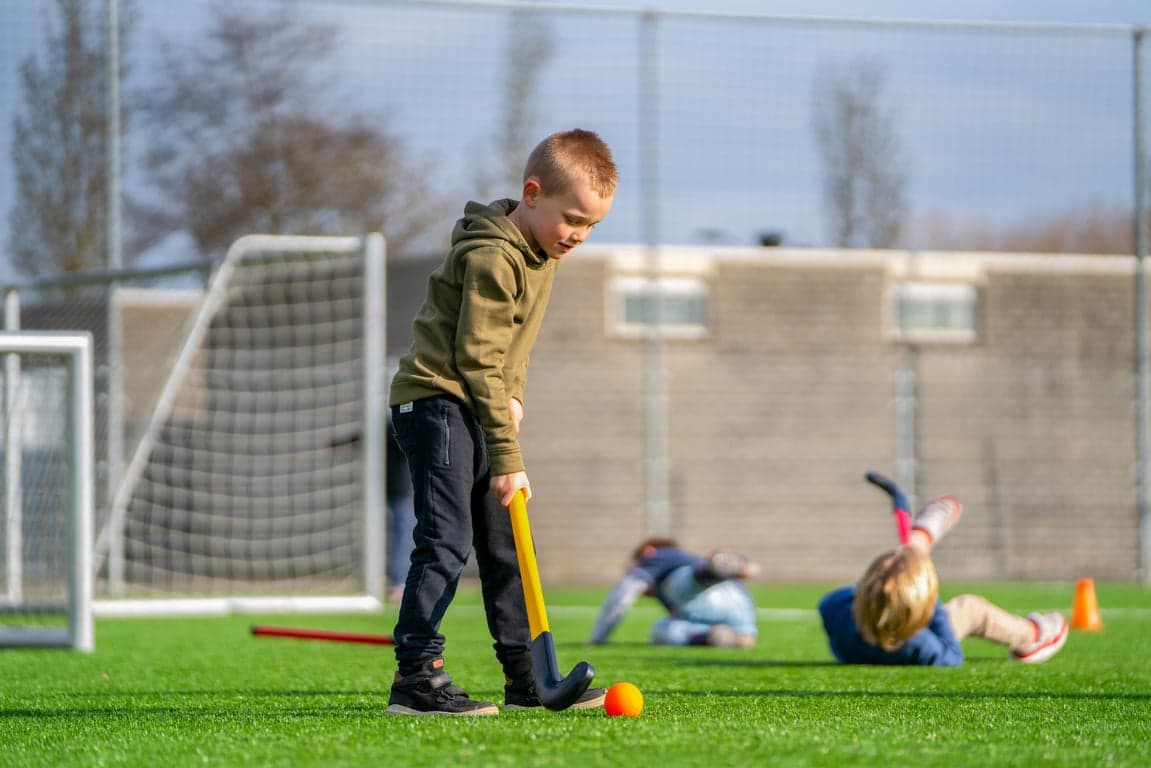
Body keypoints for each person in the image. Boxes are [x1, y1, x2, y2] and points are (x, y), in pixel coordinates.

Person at [386, 129, 618, 716]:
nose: (580, 237)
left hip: (476, 399)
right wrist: (509, 457)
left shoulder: (541, 251)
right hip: (436, 401)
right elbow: (475, 355)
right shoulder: (494, 254)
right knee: (446, 540)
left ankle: (527, 679)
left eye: (592, 226)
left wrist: (512, 398)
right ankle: (416, 677)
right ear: (532, 193)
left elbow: (510, 347)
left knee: (506, 543)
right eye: (573, 220)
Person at [818, 494, 1069, 666]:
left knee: (899, 582)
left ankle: (918, 544)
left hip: (860, 645)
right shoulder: (922, 644)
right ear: (924, 610)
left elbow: (829, 602)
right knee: (971, 609)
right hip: (908, 634)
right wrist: (931, 600)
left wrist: (880, 591)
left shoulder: (841, 617)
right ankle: (1032, 637)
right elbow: (952, 656)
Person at [588, 538, 760, 648]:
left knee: (677, 583)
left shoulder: (657, 556)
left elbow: (622, 596)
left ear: (647, 551)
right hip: (742, 606)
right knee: (662, 630)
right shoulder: (669, 587)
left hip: (704, 586)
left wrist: (598, 638)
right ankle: (720, 637)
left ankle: (715, 568)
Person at [385, 416, 415, 603]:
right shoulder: (390, 426)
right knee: (401, 537)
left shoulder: (398, 425)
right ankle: (396, 581)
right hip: (394, 490)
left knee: (402, 537)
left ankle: (398, 581)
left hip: (399, 491)